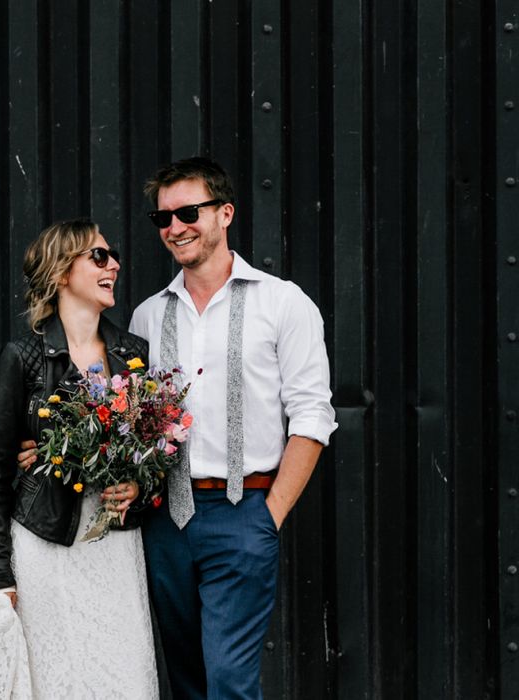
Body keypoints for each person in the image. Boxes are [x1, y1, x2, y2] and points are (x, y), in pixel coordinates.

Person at [128, 157, 338, 699]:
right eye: (163, 218)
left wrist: (268, 518)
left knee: (229, 680)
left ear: (225, 213)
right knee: (188, 680)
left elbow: (313, 415)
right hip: (164, 523)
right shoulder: (147, 316)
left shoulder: (282, 303)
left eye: (188, 212)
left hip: (244, 513)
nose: (175, 227)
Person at [0, 218, 158, 699]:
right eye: (99, 256)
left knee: (122, 674)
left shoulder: (132, 353)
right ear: (62, 273)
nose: (114, 264)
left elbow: (156, 456)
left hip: (115, 547)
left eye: (112, 254)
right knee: (61, 679)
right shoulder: (25, 357)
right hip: (45, 543)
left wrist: (139, 488)